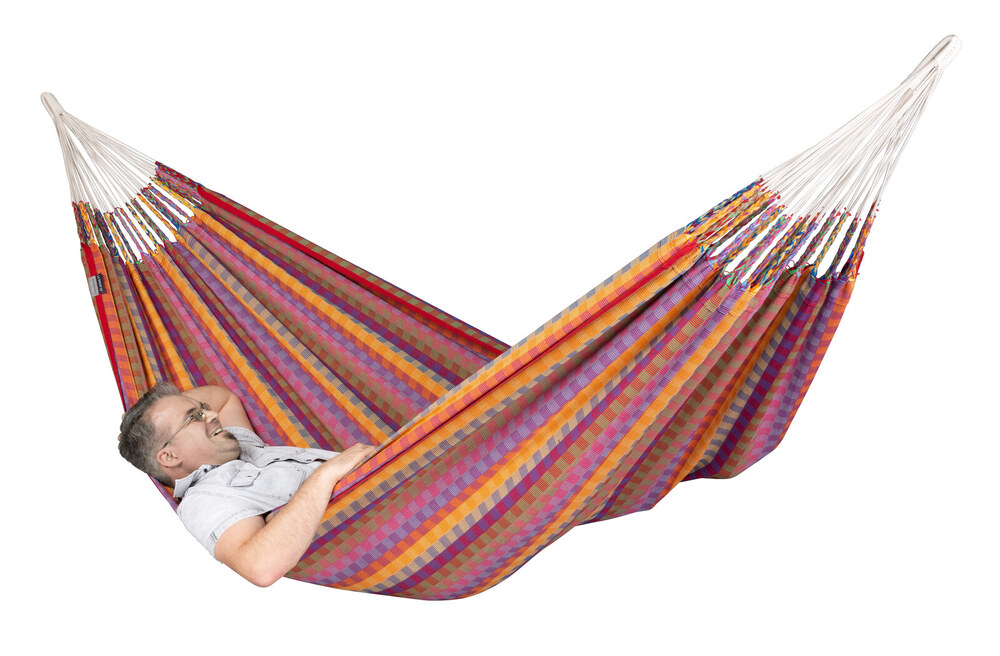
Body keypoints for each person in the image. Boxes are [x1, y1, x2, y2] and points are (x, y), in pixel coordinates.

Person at [117, 380, 377, 587]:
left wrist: (154, 415)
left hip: (389, 478)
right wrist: (326, 475)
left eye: (203, 408)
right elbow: (260, 567)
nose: (211, 414)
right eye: (194, 416)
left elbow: (223, 398)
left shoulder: (236, 446)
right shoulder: (205, 500)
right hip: (381, 514)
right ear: (170, 457)